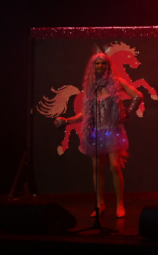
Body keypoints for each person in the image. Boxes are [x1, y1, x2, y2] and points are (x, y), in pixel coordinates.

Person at [54, 52, 142, 218]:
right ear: (93, 66)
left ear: (108, 65)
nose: (101, 66)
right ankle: (99, 204)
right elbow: (85, 113)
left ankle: (120, 203)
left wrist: (127, 113)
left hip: (113, 131)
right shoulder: (91, 88)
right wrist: (67, 121)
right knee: (96, 167)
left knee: (115, 166)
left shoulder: (117, 82)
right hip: (95, 133)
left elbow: (138, 95)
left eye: (103, 63)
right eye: (97, 63)